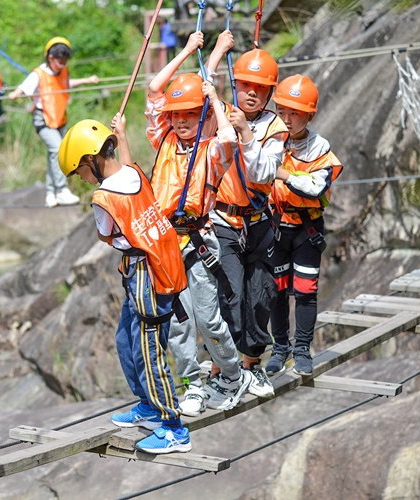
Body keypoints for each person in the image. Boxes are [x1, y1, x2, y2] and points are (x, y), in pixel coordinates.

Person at [57, 114, 191, 454]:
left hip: (147, 273)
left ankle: (174, 427)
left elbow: (106, 234)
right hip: (157, 264)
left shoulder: (103, 199)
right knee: (125, 339)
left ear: (91, 160)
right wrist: (123, 134)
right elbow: (127, 165)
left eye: (80, 171)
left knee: (149, 351)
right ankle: (148, 403)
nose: (82, 179)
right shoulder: (134, 173)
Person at [145, 31, 253, 417]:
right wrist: (189, 50)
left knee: (208, 319)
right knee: (179, 323)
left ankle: (231, 372)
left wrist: (211, 100)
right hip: (165, 244)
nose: (181, 121)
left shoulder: (212, 151)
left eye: (190, 115)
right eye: (176, 115)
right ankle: (192, 381)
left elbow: (228, 135)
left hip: (197, 241)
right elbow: (156, 88)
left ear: (201, 116)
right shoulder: (164, 141)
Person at [204, 47, 289, 398]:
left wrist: (247, 134)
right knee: (229, 294)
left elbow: (264, 172)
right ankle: (223, 369)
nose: (252, 92)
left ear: (269, 92)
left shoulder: (275, 127)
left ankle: (251, 364)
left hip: (258, 221)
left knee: (261, 295)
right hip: (223, 219)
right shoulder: (222, 114)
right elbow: (203, 86)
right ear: (235, 84)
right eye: (246, 84)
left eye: (260, 87)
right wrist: (215, 52)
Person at [266, 74, 343, 376]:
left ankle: (302, 349)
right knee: (276, 290)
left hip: (306, 230)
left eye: (294, 113)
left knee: (306, 290)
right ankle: (280, 347)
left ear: (309, 114)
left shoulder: (319, 148)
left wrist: (283, 175)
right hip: (276, 226)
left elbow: (314, 187)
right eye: (282, 111)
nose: (286, 119)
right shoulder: (271, 141)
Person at [8, 36, 99, 208]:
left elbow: (66, 84)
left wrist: (87, 80)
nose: (63, 65)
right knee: (57, 149)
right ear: (50, 58)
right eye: (60, 62)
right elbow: (24, 86)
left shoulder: (63, 71)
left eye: (65, 62)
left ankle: (51, 193)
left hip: (59, 119)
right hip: (43, 119)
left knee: (53, 155)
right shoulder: (39, 74)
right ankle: (62, 189)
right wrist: (15, 93)